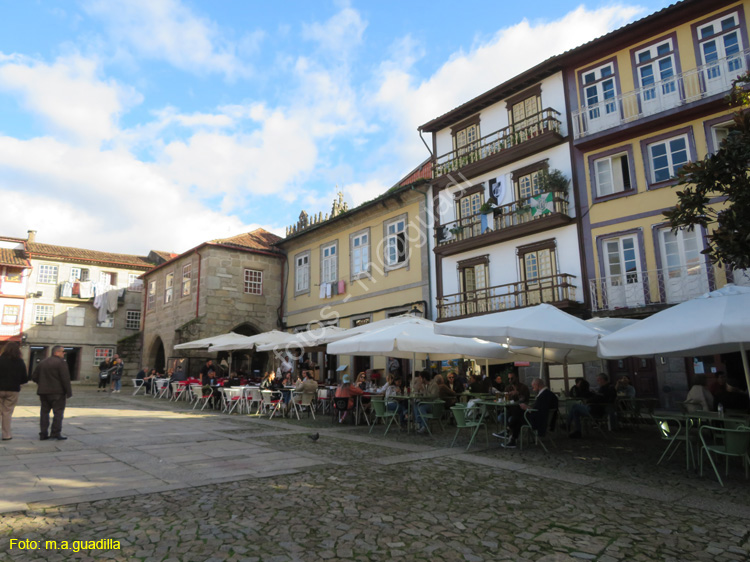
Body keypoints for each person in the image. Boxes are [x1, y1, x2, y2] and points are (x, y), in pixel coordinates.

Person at [497, 378, 558, 448]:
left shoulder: (543, 396)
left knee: (518, 416)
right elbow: (541, 409)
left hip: (540, 421)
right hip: (545, 419)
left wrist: (527, 408)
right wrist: (528, 408)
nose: (533, 388)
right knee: (518, 415)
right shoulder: (549, 394)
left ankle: (509, 434)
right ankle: (510, 435)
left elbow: (539, 411)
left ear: (537, 385)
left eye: (533, 386)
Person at [31, 345, 72, 441]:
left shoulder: (43, 362)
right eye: (62, 351)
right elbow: (65, 378)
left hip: (43, 392)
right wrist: (68, 392)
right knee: (58, 413)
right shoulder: (61, 363)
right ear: (56, 352)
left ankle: (43, 433)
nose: (64, 353)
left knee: (44, 412)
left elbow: (34, 376)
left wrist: (41, 383)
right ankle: (55, 433)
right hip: (58, 392)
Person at [567, 373, 617, 438]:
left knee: (575, 406)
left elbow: (599, 399)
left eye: (598, 380)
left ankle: (570, 426)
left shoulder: (605, 389)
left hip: (596, 410)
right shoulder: (611, 387)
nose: (597, 382)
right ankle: (576, 430)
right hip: (600, 409)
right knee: (575, 411)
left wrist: (588, 401)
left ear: (602, 379)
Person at [0, 342, 29, 441]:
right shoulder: (20, 362)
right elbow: (25, 378)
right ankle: (6, 435)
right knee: (7, 412)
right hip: (13, 390)